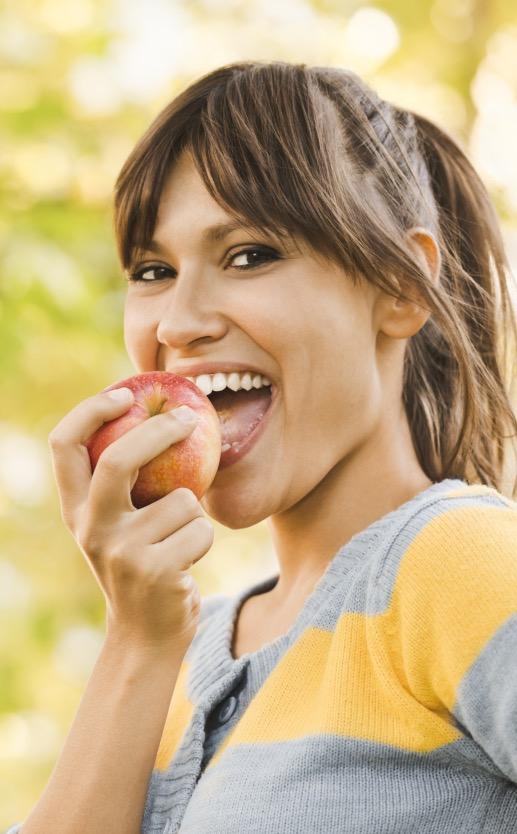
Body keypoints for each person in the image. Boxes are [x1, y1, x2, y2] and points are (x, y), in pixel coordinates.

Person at [6, 60, 517, 834]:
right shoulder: (178, 650)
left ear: (402, 287)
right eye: (152, 270)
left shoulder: (460, 562)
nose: (177, 323)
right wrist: (136, 644)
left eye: (249, 254)